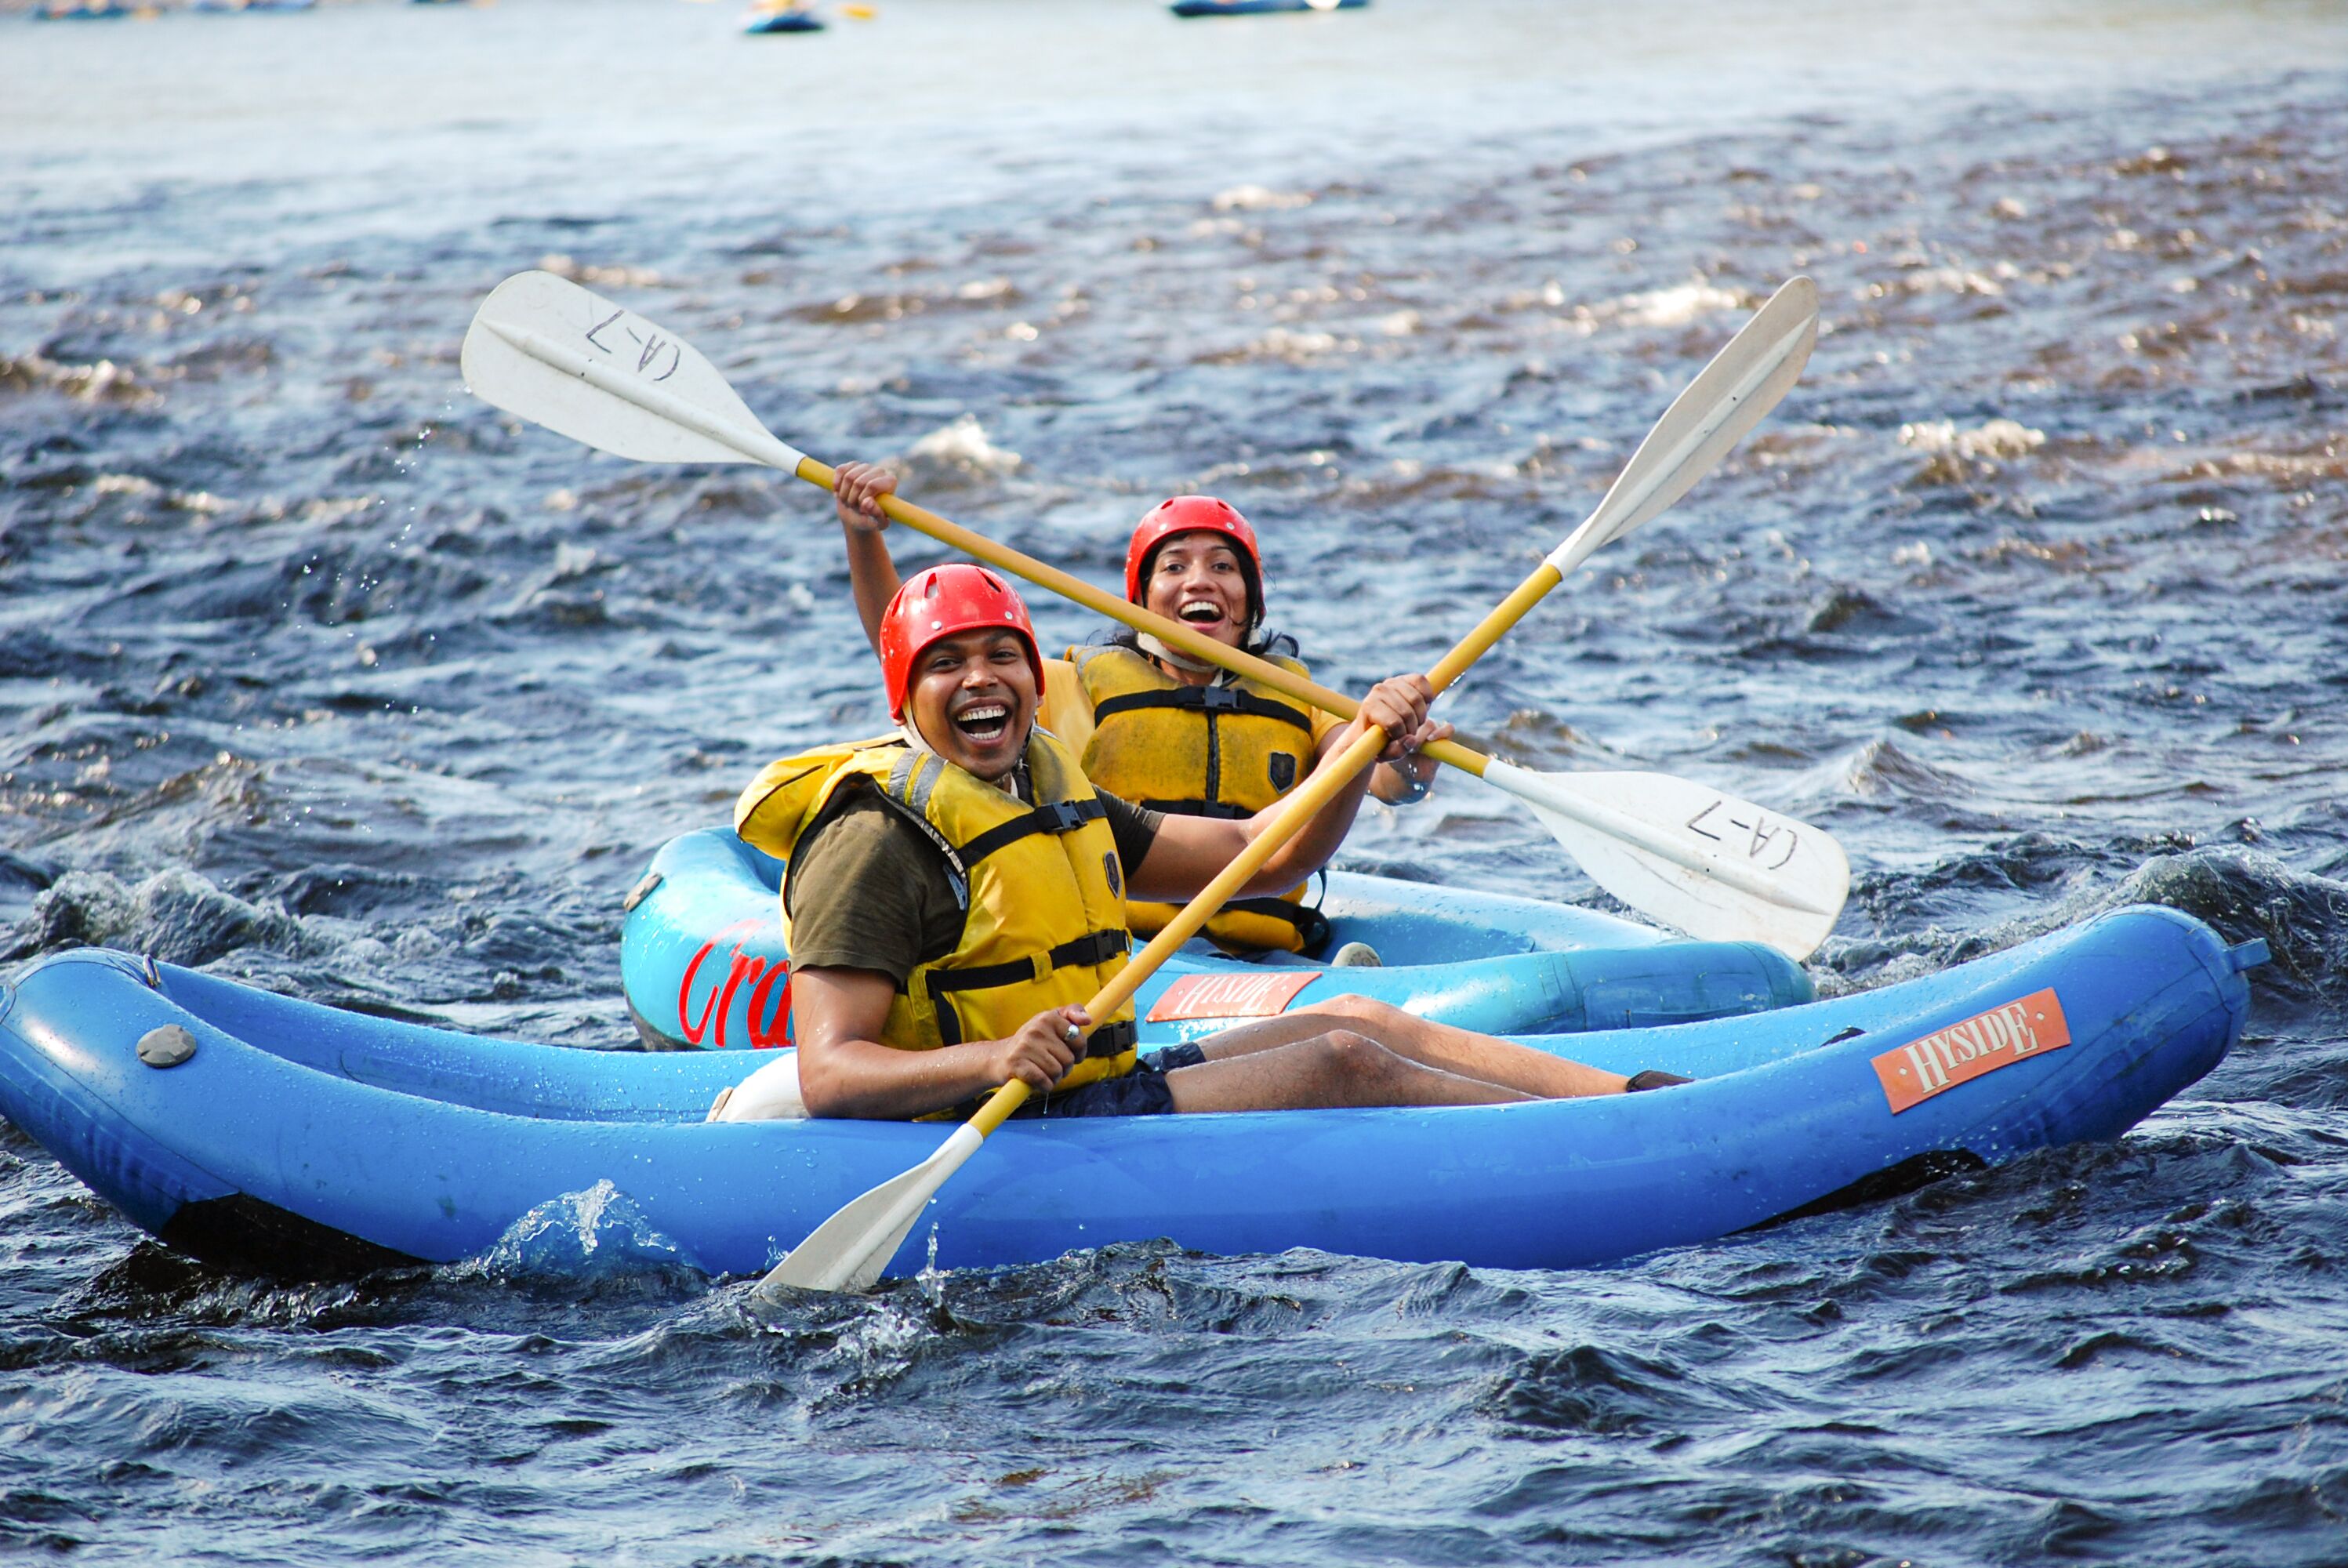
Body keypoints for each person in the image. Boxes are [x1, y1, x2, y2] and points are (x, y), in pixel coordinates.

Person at [721, 562, 1689, 1122]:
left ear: (1028, 670)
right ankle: (1628, 1144)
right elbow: (831, 1071)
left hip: (1101, 1086)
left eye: (1001, 655)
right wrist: (994, 1059)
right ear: (903, 695)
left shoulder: (1049, 789)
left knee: (1362, 1014)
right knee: (1341, 1062)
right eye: (947, 663)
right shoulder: (876, 837)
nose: (982, 679)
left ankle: (1639, 1098)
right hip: (1011, 1119)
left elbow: (1266, 855)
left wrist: (1360, 744)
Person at [830, 463, 1438, 956]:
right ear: (1140, 601)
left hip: (1262, 949)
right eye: (1173, 567)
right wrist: (864, 535)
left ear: (1250, 605)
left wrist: (1397, 747)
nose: (1199, 581)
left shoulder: (1299, 698)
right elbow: (921, 648)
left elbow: (1382, 777)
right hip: (1128, 946)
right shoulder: (1077, 682)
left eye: (1222, 567)